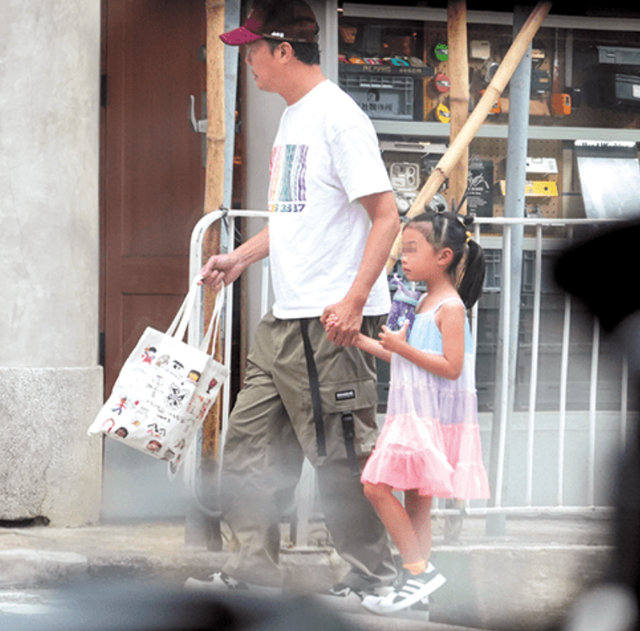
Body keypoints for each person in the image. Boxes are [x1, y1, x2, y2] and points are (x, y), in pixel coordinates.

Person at [188, 0, 401, 604]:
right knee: (250, 449)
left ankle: (374, 580)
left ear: (283, 50)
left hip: (331, 319)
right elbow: (292, 217)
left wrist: (355, 302)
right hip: (285, 317)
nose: (245, 60)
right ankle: (253, 571)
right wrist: (240, 258)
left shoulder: (339, 119)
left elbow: (386, 216)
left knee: (337, 457)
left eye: (252, 49)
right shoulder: (291, 118)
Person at [331, 210, 491, 615]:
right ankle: (417, 587)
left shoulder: (450, 307)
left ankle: (418, 572)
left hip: (427, 416)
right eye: (403, 250)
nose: (403, 258)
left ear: (444, 256)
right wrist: (356, 339)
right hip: (415, 412)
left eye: (412, 250)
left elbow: (451, 366)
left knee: (375, 485)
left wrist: (400, 348)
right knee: (417, 498)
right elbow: (401, 355)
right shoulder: (423, 300)